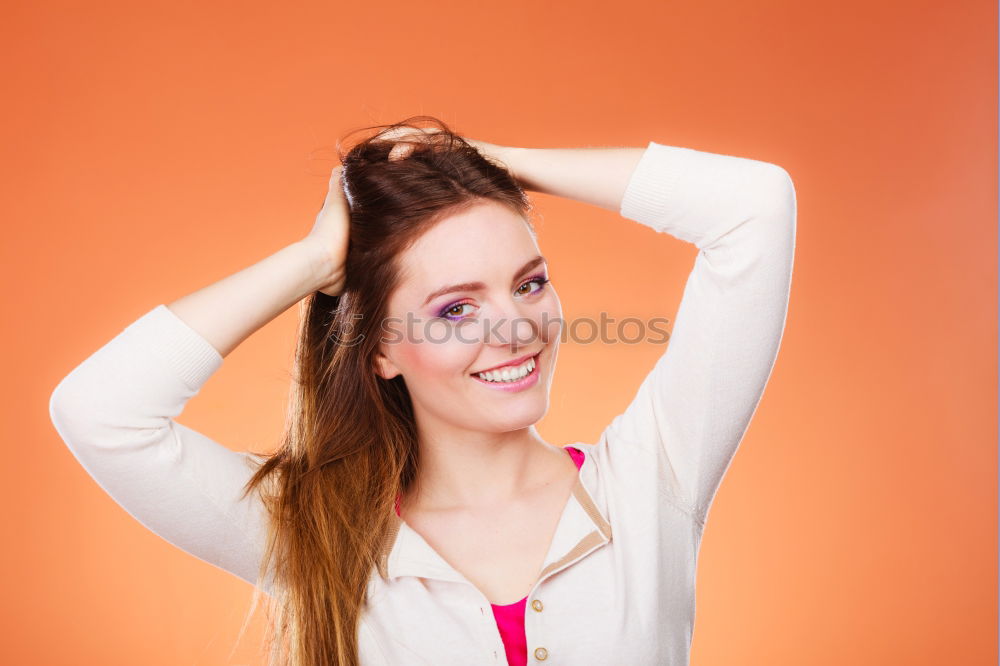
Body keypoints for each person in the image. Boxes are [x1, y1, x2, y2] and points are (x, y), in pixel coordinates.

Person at [48, 115, 797, 665]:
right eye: (456, 308)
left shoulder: (649, 480)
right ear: (378, 350)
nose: (516, 329)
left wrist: (497, 163)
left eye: (529, 284)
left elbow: (755, 208)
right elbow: (100, 412)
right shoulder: (317, 536)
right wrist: (315, 260)